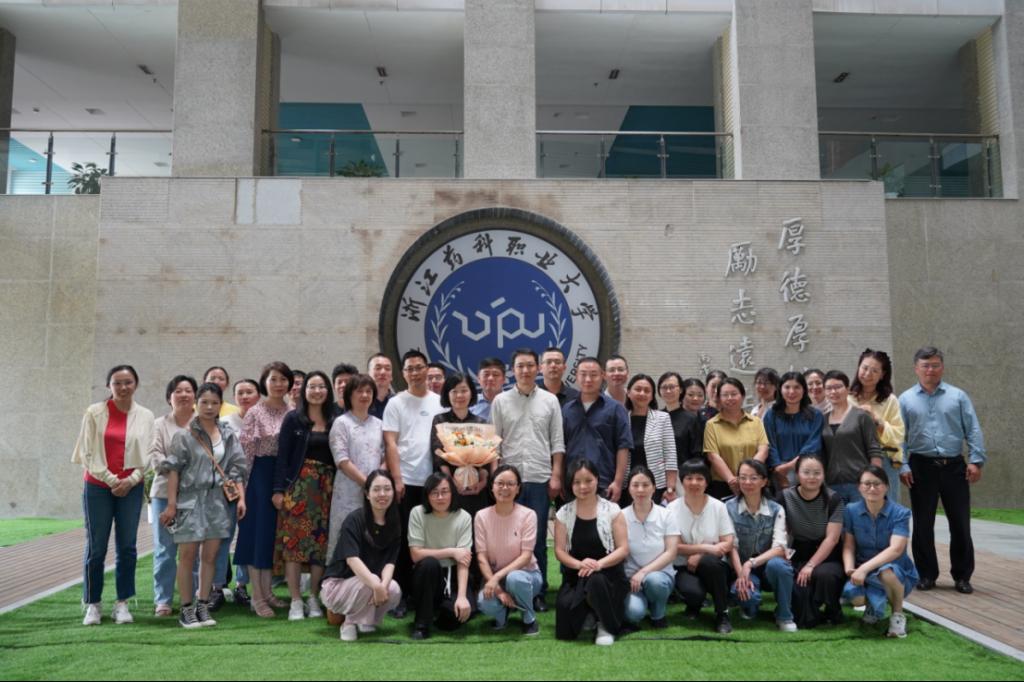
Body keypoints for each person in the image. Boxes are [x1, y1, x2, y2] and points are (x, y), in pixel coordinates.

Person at [158, 383, 248, 628]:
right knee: (187, 556)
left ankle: (203, 605)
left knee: (210, 556)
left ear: (221, 405)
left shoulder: (228, 434)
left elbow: (237, 468)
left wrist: (241, 498)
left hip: (218, 501)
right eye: (204, 402)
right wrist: (172, 505)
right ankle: (186, 609)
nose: (209, 407)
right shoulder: (184, 436)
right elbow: (174, 470)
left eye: (214, 402)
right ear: (196, 404)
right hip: (190, 500)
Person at [73, 365, 155, 626]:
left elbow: (150, 452)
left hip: (131, 487)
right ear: (108, 385)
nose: (123, 387)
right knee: (96, 547)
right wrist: (111, 480)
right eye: (117, 383)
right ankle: (92, 603)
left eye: (128, 382)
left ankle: (123, 603)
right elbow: (87, 452)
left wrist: (130, 480)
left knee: (127, 546)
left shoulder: (146, 415)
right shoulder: (94, 412)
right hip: (98, 486)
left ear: (136, 384)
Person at [899, 346, 985, 595]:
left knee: (960, 523)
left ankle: (962, 576)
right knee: (923, 524)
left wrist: (976, 460)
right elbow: (900, 436)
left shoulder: (958, 396)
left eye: (935, 365)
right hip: (920, 467)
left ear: (942, 367)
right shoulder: (905, 399)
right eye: (925, 365)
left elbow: (973, 429)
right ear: (916, 368)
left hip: (954, 467)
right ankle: (927, 574)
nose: (930, 370)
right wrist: (903, 464)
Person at [491, 348, 565, 613]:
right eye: (520, 366)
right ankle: (507, 590)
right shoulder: (500, 401)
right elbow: (494, 443)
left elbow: (557, 441)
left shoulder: (550, 401)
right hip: (508, 482)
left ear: (538, 368)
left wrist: (556, 475)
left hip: (539, 477)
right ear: (513, 370)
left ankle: (538, 592)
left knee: (537, 540)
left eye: (530, 365)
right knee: (507, 539)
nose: (525, 370)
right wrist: (495, 478)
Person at [383, 350, 445, 617]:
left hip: (434, 483)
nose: (415, 373)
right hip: (406, 480)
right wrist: (397, 479)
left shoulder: (439, 402)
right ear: (403, 373)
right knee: (404, 540)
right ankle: (402, 596)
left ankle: (428, 594)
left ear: (427, 369)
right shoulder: (396, 403)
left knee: (430, 539)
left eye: (419, 367)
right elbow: (390, 443)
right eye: (410, 369)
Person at [272, 370, 339, 621]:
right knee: (294, 546)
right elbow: (282, 457)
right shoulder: (293, 419)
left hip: (327, 489)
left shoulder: (335, 418)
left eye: (321, 386)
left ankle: (313, 597)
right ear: (303, 390)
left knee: (320, 545)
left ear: (328, 391)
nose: (317, 391)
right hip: (298, 488)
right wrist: (278, 490)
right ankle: (295, 601)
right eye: (312, 386)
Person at [235, 360, 293, 617]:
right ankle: (257, 597)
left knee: (272, 536)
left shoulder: (292, 411)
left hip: (283, 477)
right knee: (257, 536)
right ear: (264, 383)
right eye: (273, 379)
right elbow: (245, 454)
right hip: (258, 477)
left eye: (283, 379)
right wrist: (243, 491)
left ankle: (268, 592)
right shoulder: (255, 413)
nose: (278, 384)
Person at [320, 470, 403, 642]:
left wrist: (383, 586)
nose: (382, 494)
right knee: (372, 581)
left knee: (393, 589)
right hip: (337, 587)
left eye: (387, 489)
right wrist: (376, 585)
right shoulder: (354, 519)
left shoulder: (394, 523)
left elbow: (390, 562)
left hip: (366, 585)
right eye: (376, 489)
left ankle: (366, 620)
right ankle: (349, 623)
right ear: (367, 494)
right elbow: (352, 560)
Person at [554, 460, 629, 646]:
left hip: (608, 575)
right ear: (570, 484)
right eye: (577, 482)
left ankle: (605, 625)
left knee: (596, 582)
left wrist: (598, 564)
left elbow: (623, 549)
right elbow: (559, 551)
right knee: (564, 626)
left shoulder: (612, 510)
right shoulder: (563, 513)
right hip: (577, 574)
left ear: (597, 479)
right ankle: (590, 614)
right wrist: (580, 564)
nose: (583, 486)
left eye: (588, 480)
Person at [842, 464, 919, 638]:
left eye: (877, 484)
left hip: (896, 570)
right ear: (859, 487)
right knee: (855, 598)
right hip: (863, 569)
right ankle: (873, 605)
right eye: (867, 484)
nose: (872, 488)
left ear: (886, 486)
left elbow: (895, 550)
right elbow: (848, 546)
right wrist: (850, 569)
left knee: (886, 572)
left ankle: (897, 616)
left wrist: (863, 569)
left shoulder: (901, 513)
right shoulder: (850, 510)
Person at [725, 460, 797, 632]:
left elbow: (779, 548)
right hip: (741, 568)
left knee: (779, 565)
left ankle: (784, 616)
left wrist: (750, 563)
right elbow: (731, 546)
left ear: (764, 481)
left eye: (753, 478)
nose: (747, 482)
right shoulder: (728, 507)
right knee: (746, 595)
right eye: (743, 477)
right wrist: (741, 574)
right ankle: (749, 605)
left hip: (767, 568)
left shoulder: (776, 509)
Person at [777, 453, 846, 628]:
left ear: (824, 475)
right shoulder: (785, 497)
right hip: (798, 552)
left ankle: (833, 609)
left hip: (827, 554)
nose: (812, 477)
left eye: (817, 473)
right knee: (803, 615)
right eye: (806, 472)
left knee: (825, 575)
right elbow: (781, 532)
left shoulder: (834, 499)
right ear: (797, 474)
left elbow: (832, 539)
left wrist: (810, 565)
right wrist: (785, 555)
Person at [148, 374, 197, 616]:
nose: (183, 395)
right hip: (162, 493)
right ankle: (163, 600)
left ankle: (194, 598)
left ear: (195, 395)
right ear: (170, 397)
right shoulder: (158, 424)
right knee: (165, 549)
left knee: (193, 550)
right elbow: (154, 455)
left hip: (196, 495)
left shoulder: (204, 423)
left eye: (188, 390)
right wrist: (181, 467)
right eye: (178, 391)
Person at [668, 458, 735, 634]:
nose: (694, 483)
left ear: (707, 481)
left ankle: (722, 613)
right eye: (689, 478)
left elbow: (728, 542)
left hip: (714, 566)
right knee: (693, 593)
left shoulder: (718, 507)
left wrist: (700, 555)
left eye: (699, 478)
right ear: (682, 481)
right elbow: (674, 547)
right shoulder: (671, 509)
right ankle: (694, 604)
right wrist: (706, 547)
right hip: (684, 566)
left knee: (709, 563)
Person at [475, 464, 543, 635]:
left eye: (510, 484)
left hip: (527, 576)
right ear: (492, 486)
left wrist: (496, 577)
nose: (505, 488)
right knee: (484, 602)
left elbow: (526, 556)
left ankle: (528, 618)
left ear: (518, 488)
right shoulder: (481, 516)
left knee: (515, 579)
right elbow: (481, 557)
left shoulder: (528, 515)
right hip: (496, 579)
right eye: (500, 483)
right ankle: (502, 614)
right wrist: (498, 589)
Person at [408, 472, 475, 639]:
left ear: (452, 493)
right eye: (434, 493)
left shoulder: (464, 517)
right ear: (427, 495)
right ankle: (422, 624)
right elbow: (416, 555)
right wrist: (451, 551)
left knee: (455, 618)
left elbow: (463, 561)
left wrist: (461, 597)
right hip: (427, 575)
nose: (440, 497)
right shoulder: (417, 513)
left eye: (445, 492)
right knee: (429, 563)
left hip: (453, 575)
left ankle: (440, 611)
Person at [328, 374, 385, 560]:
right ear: (349, 395)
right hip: (348, 490)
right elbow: (342, 460)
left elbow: (386, 456)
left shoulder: (379, 424)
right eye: (359, 391)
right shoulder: (341, 423)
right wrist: (368, 483)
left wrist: (377, 483)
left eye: (369, 391)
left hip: (376, 493)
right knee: (346, 536)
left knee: (371, 538)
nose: (365, 395)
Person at [561, 357, 631, 503]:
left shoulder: (616, 409)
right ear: (576, 376)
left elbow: (623, 447)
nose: (588, 379)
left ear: (603, 376)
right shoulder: (567, 409)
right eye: (583, 374)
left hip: (604, 482)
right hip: (572, 482)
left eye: (593, 375)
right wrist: (561, 479)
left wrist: (618, 482)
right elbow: (561, 447)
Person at [621, 466, 679, 629]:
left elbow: (671, 552)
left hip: (659, 576)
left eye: (645, 485)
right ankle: (640, 601)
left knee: (655, 582)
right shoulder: (620, 516)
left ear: (654, 488)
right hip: (631, 579)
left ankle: (658, 613)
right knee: (633, 614)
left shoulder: (666, 515)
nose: (640, 490)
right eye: (635, 485)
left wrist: (644, 572)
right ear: (629, 488)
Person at [220, 377, 260, 607]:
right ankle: (217, 586)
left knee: (247, 536)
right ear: (234, 397)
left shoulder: (262, 420)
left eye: (249, 392)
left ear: (258, 395)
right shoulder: (225, 422)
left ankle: (242, 585)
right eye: (240, 393)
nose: (245, 396)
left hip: (254, 485)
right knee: (224, 535)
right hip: (228, 485)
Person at [430, 372, 489, 516]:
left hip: (476, 488)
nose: (459, 395)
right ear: (447, 394)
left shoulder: (481, 423)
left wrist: (482, 482)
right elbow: (439, 456)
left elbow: (486, 459)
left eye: (464, 390)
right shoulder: (440, 420)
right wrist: (452, 483)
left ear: (471, 393)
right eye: (454, 391)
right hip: (448, 488)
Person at [822, 371, 884, 504]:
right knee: (838, 517)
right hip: (832, 484)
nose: (833, 391)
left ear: (847, 389)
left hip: (860, 483)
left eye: (838, 387)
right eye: (829, 388)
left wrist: (874, 481)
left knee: (861, 517)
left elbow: (874, 450)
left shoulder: (861, 416)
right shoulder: (822, 420)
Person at [850, 349, 905, 497]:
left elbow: (898, 435)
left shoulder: (890, 400)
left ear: (882, 374)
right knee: (858, 504)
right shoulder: (848, 397)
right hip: (853, 458)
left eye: (874, 371)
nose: (868, 374)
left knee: (887, 502)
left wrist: (877, 420)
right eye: (865, 368)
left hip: (884, 458)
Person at [703, 378, 769, 499]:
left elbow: (763, 450)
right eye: (725, 395)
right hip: (723, 485)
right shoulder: (712, 424)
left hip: (753, 483)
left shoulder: (756, 422)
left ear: (742, 396)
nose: (730, 398)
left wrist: (747, 476)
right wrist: (731, 480)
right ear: (719, 398)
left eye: (734, 394)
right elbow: (713, 456)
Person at [763, 371, 823, 490]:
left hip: (808, 470)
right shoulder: (771, 415)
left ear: (804, 390)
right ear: (780, 389)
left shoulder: (815, 415)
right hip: (778, 472)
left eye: (797, 387)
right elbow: (770, 443)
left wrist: (790, 466)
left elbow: (813, 443)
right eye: (787, 387)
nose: (791, 392)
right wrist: (778, 468)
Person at [624, 374, 677, 504]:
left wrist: (670, 488)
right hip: (626, 484)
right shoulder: (620, 417)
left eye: (647, 390)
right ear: (628, 392)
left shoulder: (662, 418)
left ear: (652, 396)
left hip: (655, 485)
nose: (642, 393)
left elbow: (670, 454)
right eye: (638, 389)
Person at [657, 372, 702, 468]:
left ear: (681, 390)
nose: (668, 391)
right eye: (664, 387)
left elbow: (697, 453)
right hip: (657, 473)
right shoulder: (655, 417)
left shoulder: (691, 419)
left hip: (683, 473)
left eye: (672, 387)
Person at [470, 357, 506, 422]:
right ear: (478, 379)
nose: (490, 378)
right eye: (486, 374)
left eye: (495, 375)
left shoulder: (513, 401)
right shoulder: (469, 402)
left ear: (504, 379)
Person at [367, 353, 394, 420]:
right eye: (378, 368)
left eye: (387, 369)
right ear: (368, 374)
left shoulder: (399, 402)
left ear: (391, 376)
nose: (383, 372)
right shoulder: (359, 403)